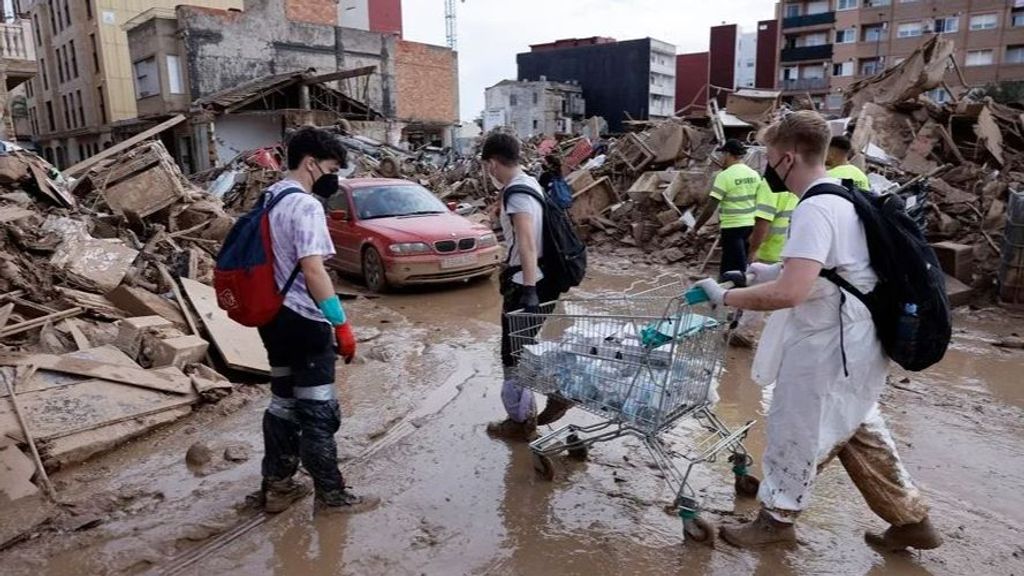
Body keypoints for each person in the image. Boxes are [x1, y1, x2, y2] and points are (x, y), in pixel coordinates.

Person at [692, 111, 941, 551]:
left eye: (769, 157)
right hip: (857, 340)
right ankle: (910, 520)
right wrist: (763, 271)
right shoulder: (845, 195)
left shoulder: (814, 207)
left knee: (797, 426)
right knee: (857, 428)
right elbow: (832, 270)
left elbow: (791, 292)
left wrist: (723, 299)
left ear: (787, 158)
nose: (767, 167)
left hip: (831, 344)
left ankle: (776, 520)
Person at [257, 126, 378, 515]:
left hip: (272, 319)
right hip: (304, 321)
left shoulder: (269, 197)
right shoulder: (305, 205)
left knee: (282, 404)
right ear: (310, 164)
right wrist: (340, 323)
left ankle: (277, 486)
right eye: (330, 167)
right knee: (318, 409)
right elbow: (313, 270)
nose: (333, 177)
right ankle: (332, 496)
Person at [482, 132, 572, 440]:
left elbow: (527, 242)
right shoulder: (529, 183)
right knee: (524, 348)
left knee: (512, 354)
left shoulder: (517, 194)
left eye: (487, 166)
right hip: (542, 278)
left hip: (527, 281)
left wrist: (529, 289)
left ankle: (523, 419)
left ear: (493, 163)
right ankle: (534, 407)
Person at [692, 139, 760, 278]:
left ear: (728, 154)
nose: (721, 158)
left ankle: (730, 293)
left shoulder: (724, 176)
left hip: (732, 226)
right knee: (740, 261)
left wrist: (696, 227)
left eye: (722, 154)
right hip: (750, 226)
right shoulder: (754, 175)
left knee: (732, 266)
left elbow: (711, 207)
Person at [748, 179, 799, 265]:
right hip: (796, 254)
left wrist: (753, 250)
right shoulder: (804, 180)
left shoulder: (770, 184)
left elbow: (763, 221)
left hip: (771, 254)